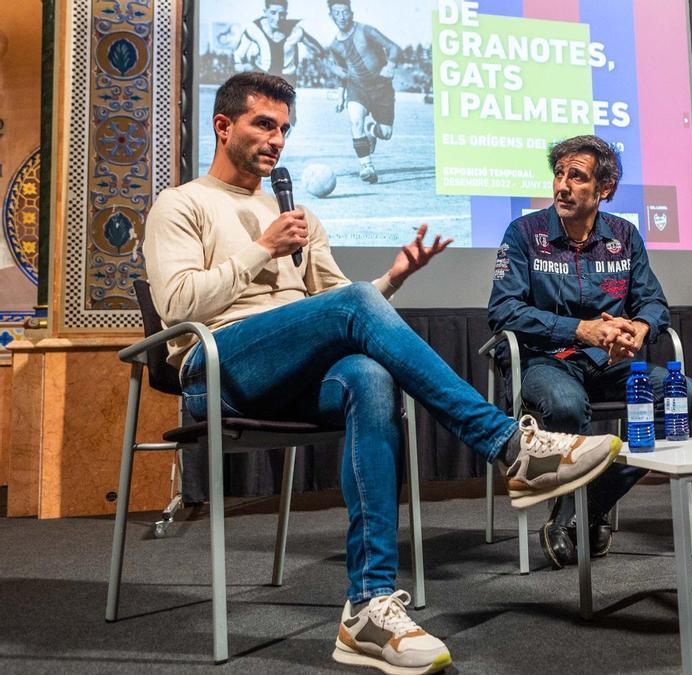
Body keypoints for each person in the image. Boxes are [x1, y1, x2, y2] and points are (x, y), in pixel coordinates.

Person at [144, 72, 621, 674]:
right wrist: (261, 248)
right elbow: (179, 306)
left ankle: (367, 608)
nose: (277, 140)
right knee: (354, 319)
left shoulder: (296, 217)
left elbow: (346, 302)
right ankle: (507, 445)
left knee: (369, 376)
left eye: (285, 129)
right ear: (223, 126)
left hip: (295, 374)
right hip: (220, 367)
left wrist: (394, 278)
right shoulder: (182, 204)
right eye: (264, 125)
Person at [488, 135, 692, 570]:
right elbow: (504, 311)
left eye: (576, 176)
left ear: (604, 189)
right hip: (544, 361)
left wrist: (640, 329)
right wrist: (580, 330)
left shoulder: (624, 236)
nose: (562, 186)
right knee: (566, 405)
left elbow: (654, 303)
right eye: (559, 174)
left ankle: (585, 505)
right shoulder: (525, 234)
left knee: (685, 394)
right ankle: (580, 512)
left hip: (608, 364)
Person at [322, 0, 401, 184]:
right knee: (355, 121)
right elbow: (342, 72)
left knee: (386, 134)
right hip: (357, 88)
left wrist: (391, 65)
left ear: (351, 13)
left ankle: (372, 130)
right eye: (337, 13)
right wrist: (341, 93)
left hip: (382, 88)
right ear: (331, 16)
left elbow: (394, 48)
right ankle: (367, 166)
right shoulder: (334, 46)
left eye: (345, 12)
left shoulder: (366, 31)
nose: (341, 17)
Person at [232, 0, 324, 126]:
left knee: (289, 120)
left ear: (286, 14)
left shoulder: (296, 31)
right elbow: (238, 55)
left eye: (281, 14)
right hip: (263, 77)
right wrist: (242, 68)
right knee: (262, 115)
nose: (277, 18)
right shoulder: (254, 29)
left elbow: (319, 50)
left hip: (287, 79)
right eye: (273, 13)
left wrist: (323, 59)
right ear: (265, 12)